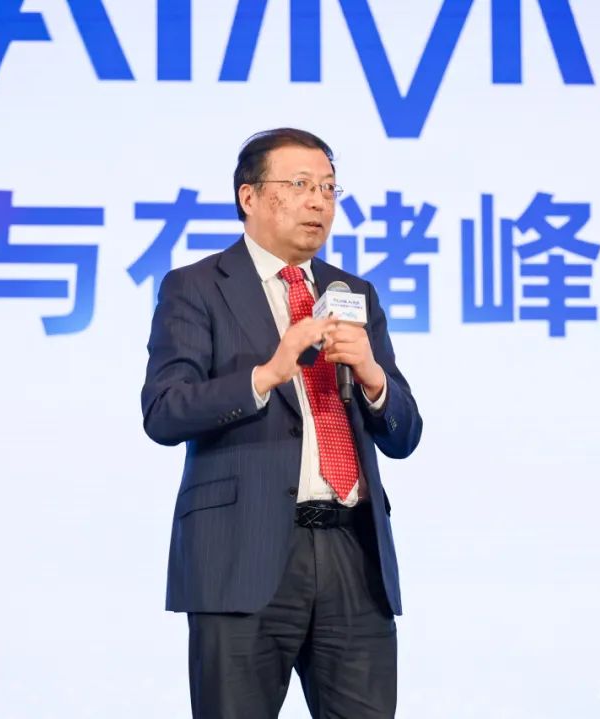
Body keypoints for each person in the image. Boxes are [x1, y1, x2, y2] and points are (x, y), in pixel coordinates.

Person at [141, 127, 422, 718]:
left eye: (328, 188)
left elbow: (404, 435)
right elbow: (165, 411)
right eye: (300, 185)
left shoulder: (354, 293)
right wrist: (267, 374)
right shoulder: (196, 287)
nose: (319, 201)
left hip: (354, 553)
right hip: (242, 554)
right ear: (249, 196)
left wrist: (373, 377)